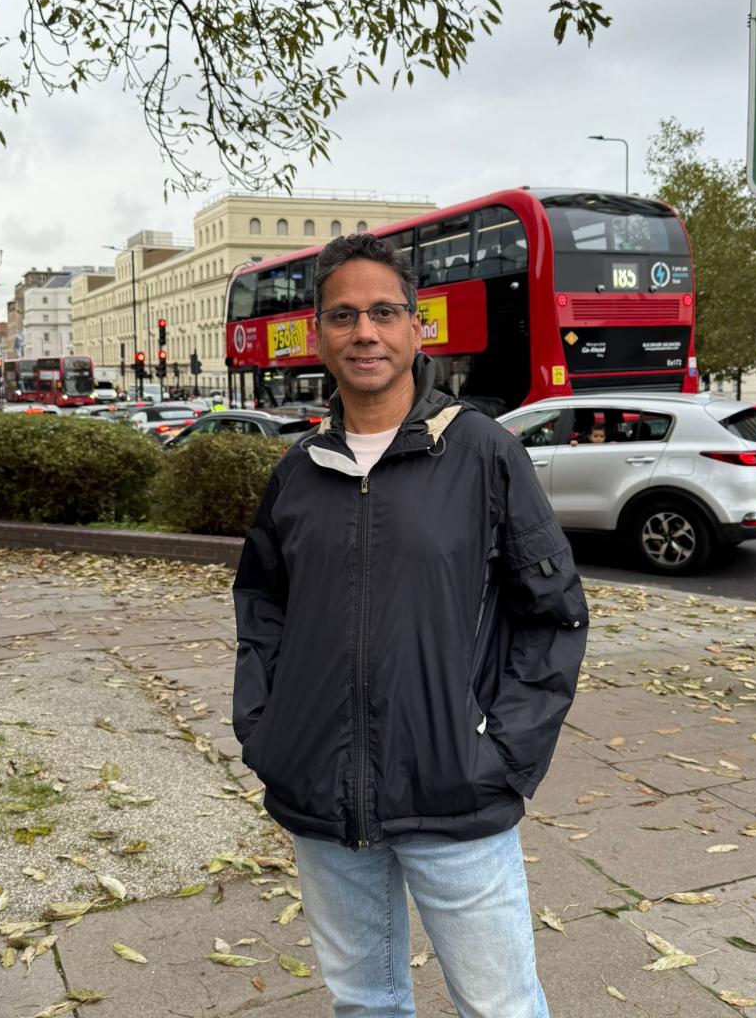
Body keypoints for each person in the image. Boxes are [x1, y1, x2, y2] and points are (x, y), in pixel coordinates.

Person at [232, 233, 588, 1018]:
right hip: (321, 797)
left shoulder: (482, 452)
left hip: (455, 793)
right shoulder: (297, 471)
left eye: (384, 313)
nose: (365, 332)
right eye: (344, 315)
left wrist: (503, 753)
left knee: (500, 1007)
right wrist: (266, 728)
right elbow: (261, 607)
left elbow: (554, 613)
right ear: (318, 333)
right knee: (365, 1003)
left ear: (417, 327)